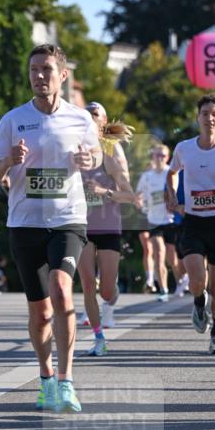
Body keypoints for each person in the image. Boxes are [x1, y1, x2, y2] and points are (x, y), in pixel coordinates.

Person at [0, 44, 101, 413]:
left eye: (46, 69)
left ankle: (66, 381)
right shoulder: (13, 120)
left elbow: (95, 156)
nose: (39, 76)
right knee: (40, 313)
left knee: (63, 290)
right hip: (25, 223)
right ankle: (46, 377)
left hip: (67, 220)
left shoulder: (80, 119)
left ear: (62, 75)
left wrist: (89, 158)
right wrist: (7, 161)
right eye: (33, 69)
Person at [166, 93, 215, 355]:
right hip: (193, 221)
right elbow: (172, 173)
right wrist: (172, 195)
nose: (209, 118)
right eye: (205, 113)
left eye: (214, 114)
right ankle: (198, 301)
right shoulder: (184, 148)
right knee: (197, 280)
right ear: (198, 118)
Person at [77, 103, 136, 354]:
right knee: (88, 284)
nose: (90, 119)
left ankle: (111, 296)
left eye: (95, 115)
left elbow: (129, 196)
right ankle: (99, 338)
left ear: (103, 122)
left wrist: (103, 191)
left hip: (109, 226)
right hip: (80, 225)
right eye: (86, 114)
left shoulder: (112, 151)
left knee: (106, 289)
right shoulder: (74, 148)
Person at [136, 144, 183, 301]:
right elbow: (138, 195)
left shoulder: (172, 173)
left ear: (168, 157)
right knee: (158, 252)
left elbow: (179, 192)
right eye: (157, 155)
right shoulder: (147, 176)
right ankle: (163, 289)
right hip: (153, 221)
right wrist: (141, 203)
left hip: (170, 220)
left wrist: (174, 203)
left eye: (163, 155)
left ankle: (180, 283)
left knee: (172, 257)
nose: (160, 158)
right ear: (153, 157)